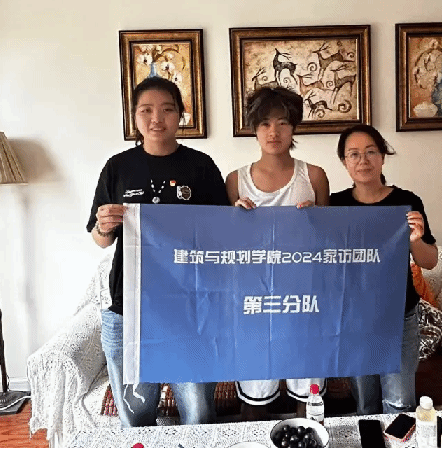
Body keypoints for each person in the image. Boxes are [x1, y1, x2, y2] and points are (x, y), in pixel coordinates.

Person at [87, 76, 229, 427]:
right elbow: (100, 239)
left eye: (167, 109)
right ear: (133, 116)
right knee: (135, 418)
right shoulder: (117, 167)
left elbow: (222, 234)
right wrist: (104, 225)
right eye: (146, 110)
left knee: (198, 415)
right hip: (129, 307)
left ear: (181, 114)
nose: (156, 118)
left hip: (190, 308)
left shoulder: (201, 166)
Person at [225, 86, 330, 421]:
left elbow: (329, 244)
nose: (274, 132)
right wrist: (236, 218)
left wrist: (315, 220)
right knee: (255, 393)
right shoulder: (235, 180)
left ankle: (309, 439)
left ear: (294, 127)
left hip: (303, 296)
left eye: (283, 123)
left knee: (307, 391)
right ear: (254, 129)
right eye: (265, 123)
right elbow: (226, 247)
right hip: (254, 297)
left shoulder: (314, 175)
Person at [329, 124, 438, 415]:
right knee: (365, 404)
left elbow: (430, 261)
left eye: (370, 152)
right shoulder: (334, 205)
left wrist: (415, 240)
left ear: (382, 157)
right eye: (354, 154)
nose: (363, 161)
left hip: (398, 316)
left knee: (400, 404)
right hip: (354, 319)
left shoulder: (406, 202)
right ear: (344, 161)